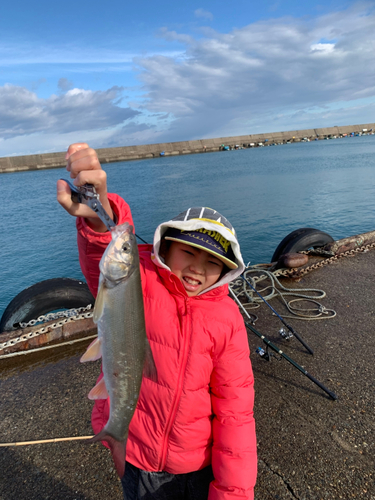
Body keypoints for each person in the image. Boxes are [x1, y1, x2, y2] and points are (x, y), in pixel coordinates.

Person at [57, 143, 257, 500]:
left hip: (195, 466)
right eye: (188, 252)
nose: (198, 268)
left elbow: (236, 413)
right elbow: (106, 246)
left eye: (212, 262)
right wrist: (98, 212)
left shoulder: (227, 319)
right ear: (165, 249)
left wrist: (233, 492)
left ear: (226, 270)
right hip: (138, 456)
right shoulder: (143, 281)